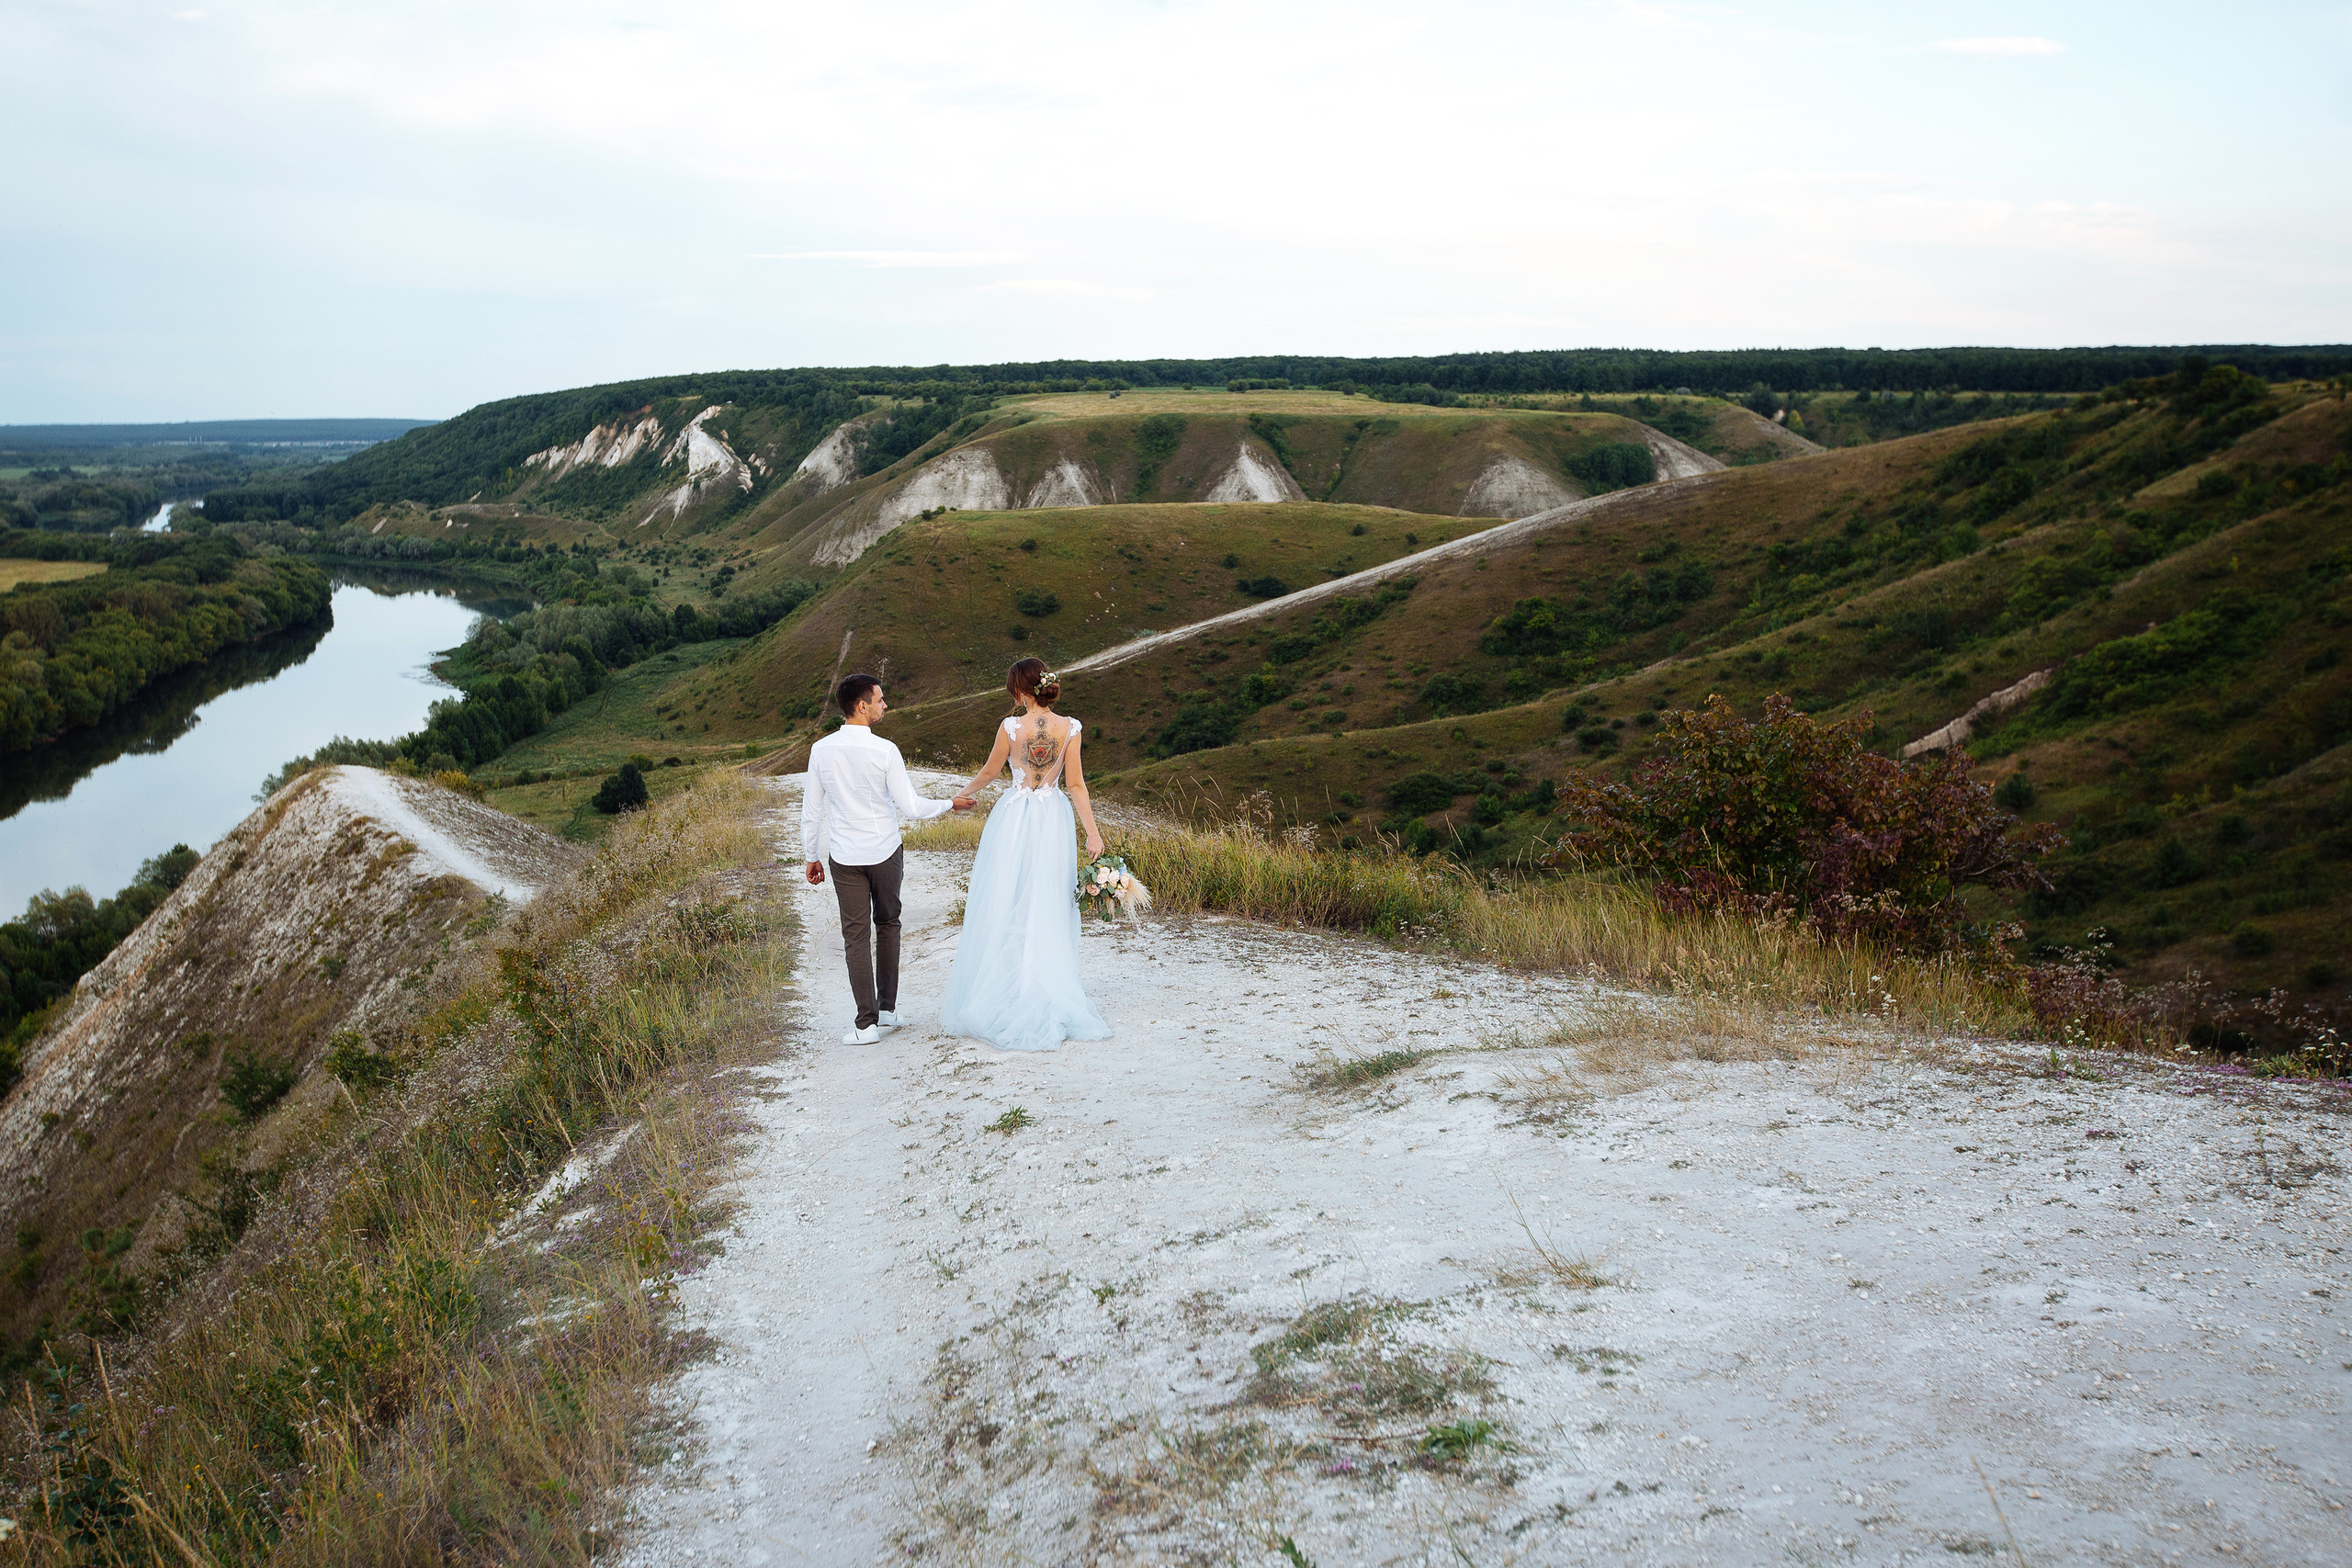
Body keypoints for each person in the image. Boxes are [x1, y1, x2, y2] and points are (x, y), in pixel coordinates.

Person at [937, 659, 1113, 1053]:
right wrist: (1093, 834)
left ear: (1021, 691)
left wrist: (961, 796)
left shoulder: (1010, 727)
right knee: (1046, 898)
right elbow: (1077, 785)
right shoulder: (1070, 728)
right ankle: (1042, 980)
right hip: (1052, 817)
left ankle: (1009, 983)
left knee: (1006, 893)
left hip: (1014, 816)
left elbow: (989, 771)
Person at [802, 672, 967, 1044]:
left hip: (845, 857)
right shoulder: (886, 750)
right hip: (886, 852)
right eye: (880, 699)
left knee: (855, 936)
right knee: (888, 923)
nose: (885, 704)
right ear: (862, 706)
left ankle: (867, 1025)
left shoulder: (821, 750)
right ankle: (887, 1009)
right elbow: (910, 807)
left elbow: (812, 811)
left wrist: (811, 856)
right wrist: (949, 803)